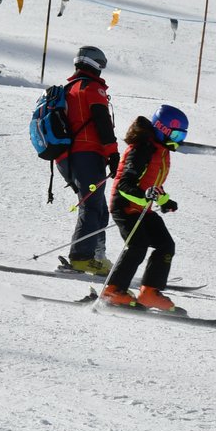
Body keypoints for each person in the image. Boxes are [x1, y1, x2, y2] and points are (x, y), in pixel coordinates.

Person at [102, 105, 188, 312]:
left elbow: (152, 182)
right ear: (161, 129)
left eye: (181, 135)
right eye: (175, 134)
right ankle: (113, 291)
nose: (179, 140)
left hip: (142, 209)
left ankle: (149, 293)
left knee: (166, 245)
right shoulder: (141, 149)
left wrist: (164, 200)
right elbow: (125, 184)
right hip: (124, 206)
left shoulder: (161, 150)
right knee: (137, 245)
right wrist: (144, 196)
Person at [56, 45, 118, 275]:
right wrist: (112, 152)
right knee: (92, 206)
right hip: (87, 155)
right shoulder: (91, 88)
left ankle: (96, 256)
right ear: (95, 65)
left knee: (99, 208)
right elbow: (102, 122)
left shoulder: (70, 88)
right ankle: (81, 257)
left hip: (68, 158)